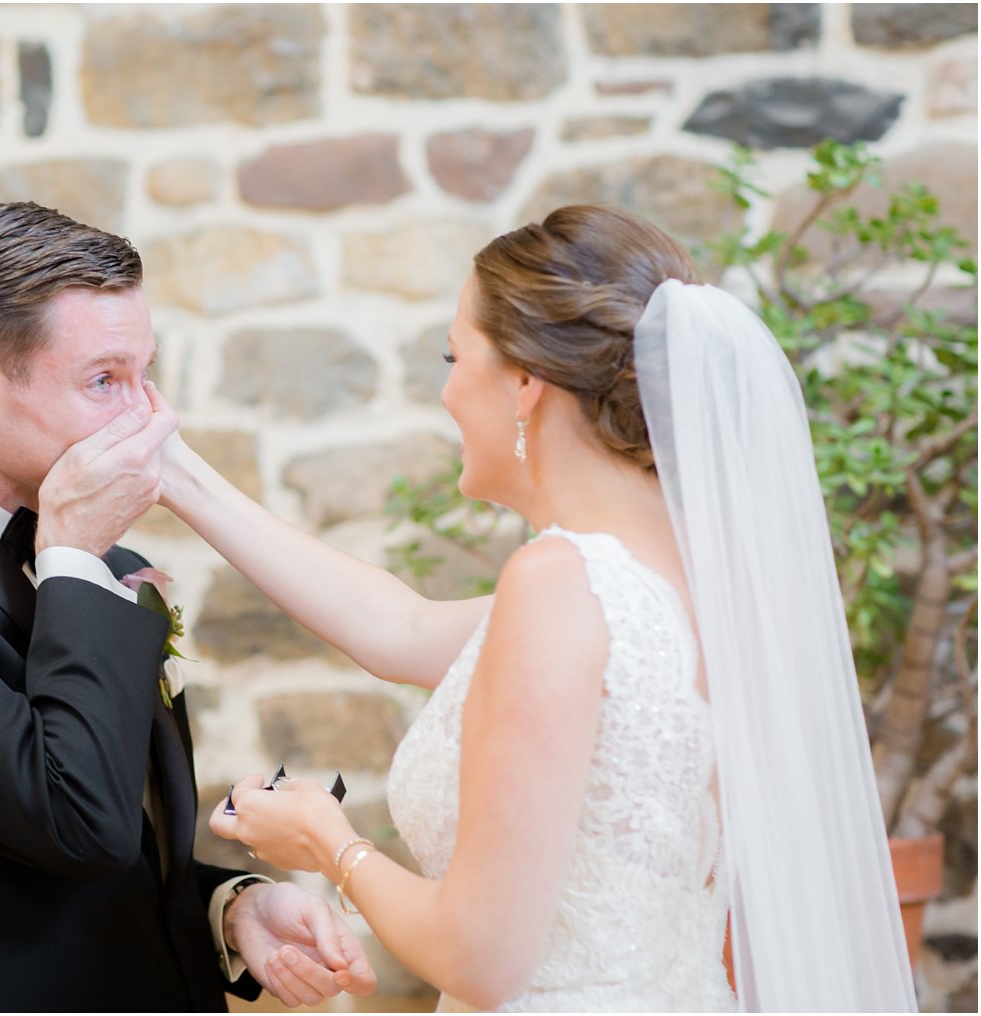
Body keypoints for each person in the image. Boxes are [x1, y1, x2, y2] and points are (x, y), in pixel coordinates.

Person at [147, 205, 916, 1010]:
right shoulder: (688, 577)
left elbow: (477, 957)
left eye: (455, 356)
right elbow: (398, 628)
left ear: (523, 384)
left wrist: (328, 841)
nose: (445, 392)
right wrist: (177, 471)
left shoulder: (561, 582)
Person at [0, 202, 376, 1012]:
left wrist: (228, 907)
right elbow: (76, 822)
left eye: (143, 376)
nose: (147, 418)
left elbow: (125, 854)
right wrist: (70, 557)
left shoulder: (106, 564)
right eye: (104, 381)